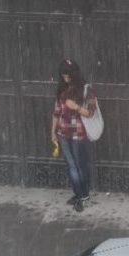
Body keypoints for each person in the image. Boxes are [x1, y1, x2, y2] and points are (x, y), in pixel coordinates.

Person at [51, 58, 97, 212]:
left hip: (79, 134)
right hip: (63, 133)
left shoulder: (86, 89)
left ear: (74, 74)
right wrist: (53, 132)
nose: (65, 77)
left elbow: (90, 113)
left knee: (80, 166)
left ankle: (84, 196)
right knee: (72, 166)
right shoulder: (62, 90)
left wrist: (76, 107)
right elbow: (56, 113)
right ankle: (78, 194)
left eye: (68, 74)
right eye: (63, 74)